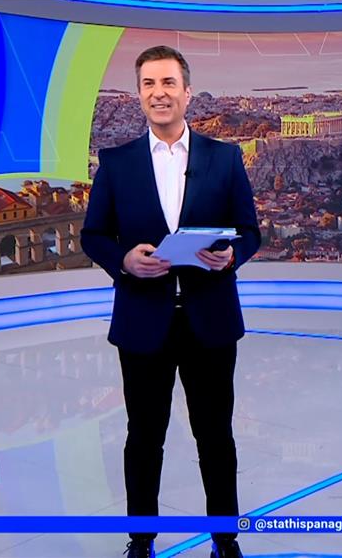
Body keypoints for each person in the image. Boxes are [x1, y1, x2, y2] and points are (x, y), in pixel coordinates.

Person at [81, 45, 259, 558]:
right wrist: (124, 261)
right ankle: (141, 541)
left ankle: (225, 539)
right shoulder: (116, 163)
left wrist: (232, 256)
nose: (159, 93)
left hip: (210, 319)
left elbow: (250, 231)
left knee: (215, 436)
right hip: (143, 320)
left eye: (168, 83)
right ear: (139, 94)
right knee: (143, 436)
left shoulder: (224, 157)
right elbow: (94, 235)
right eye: (149, 84)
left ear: (187, 91)